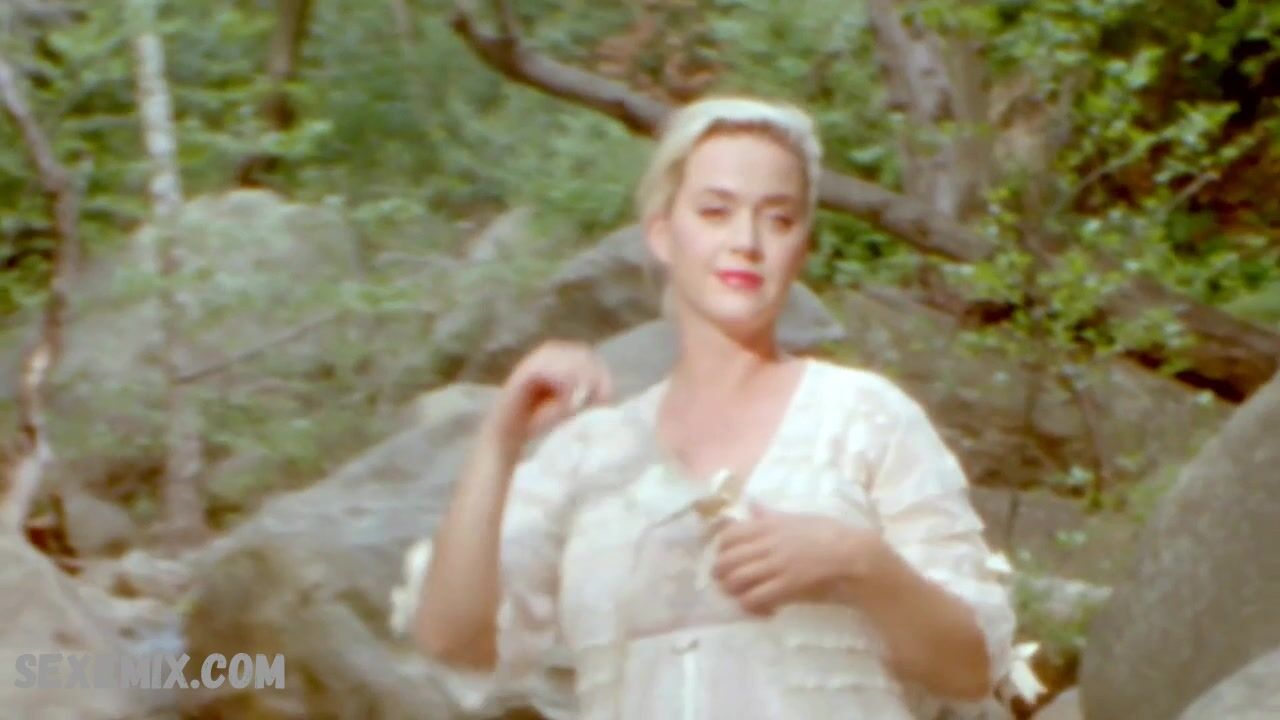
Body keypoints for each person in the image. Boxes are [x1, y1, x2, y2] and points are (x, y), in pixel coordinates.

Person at [390, 96, 1028, 719]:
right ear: (663, 234)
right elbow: (453, 642)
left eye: (778, 219)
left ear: (802, 247)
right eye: (716, 212)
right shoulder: (591, 453)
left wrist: (856, 560)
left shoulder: (864, 416)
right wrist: (500, 440)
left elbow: (970, 670)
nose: (746, 241)